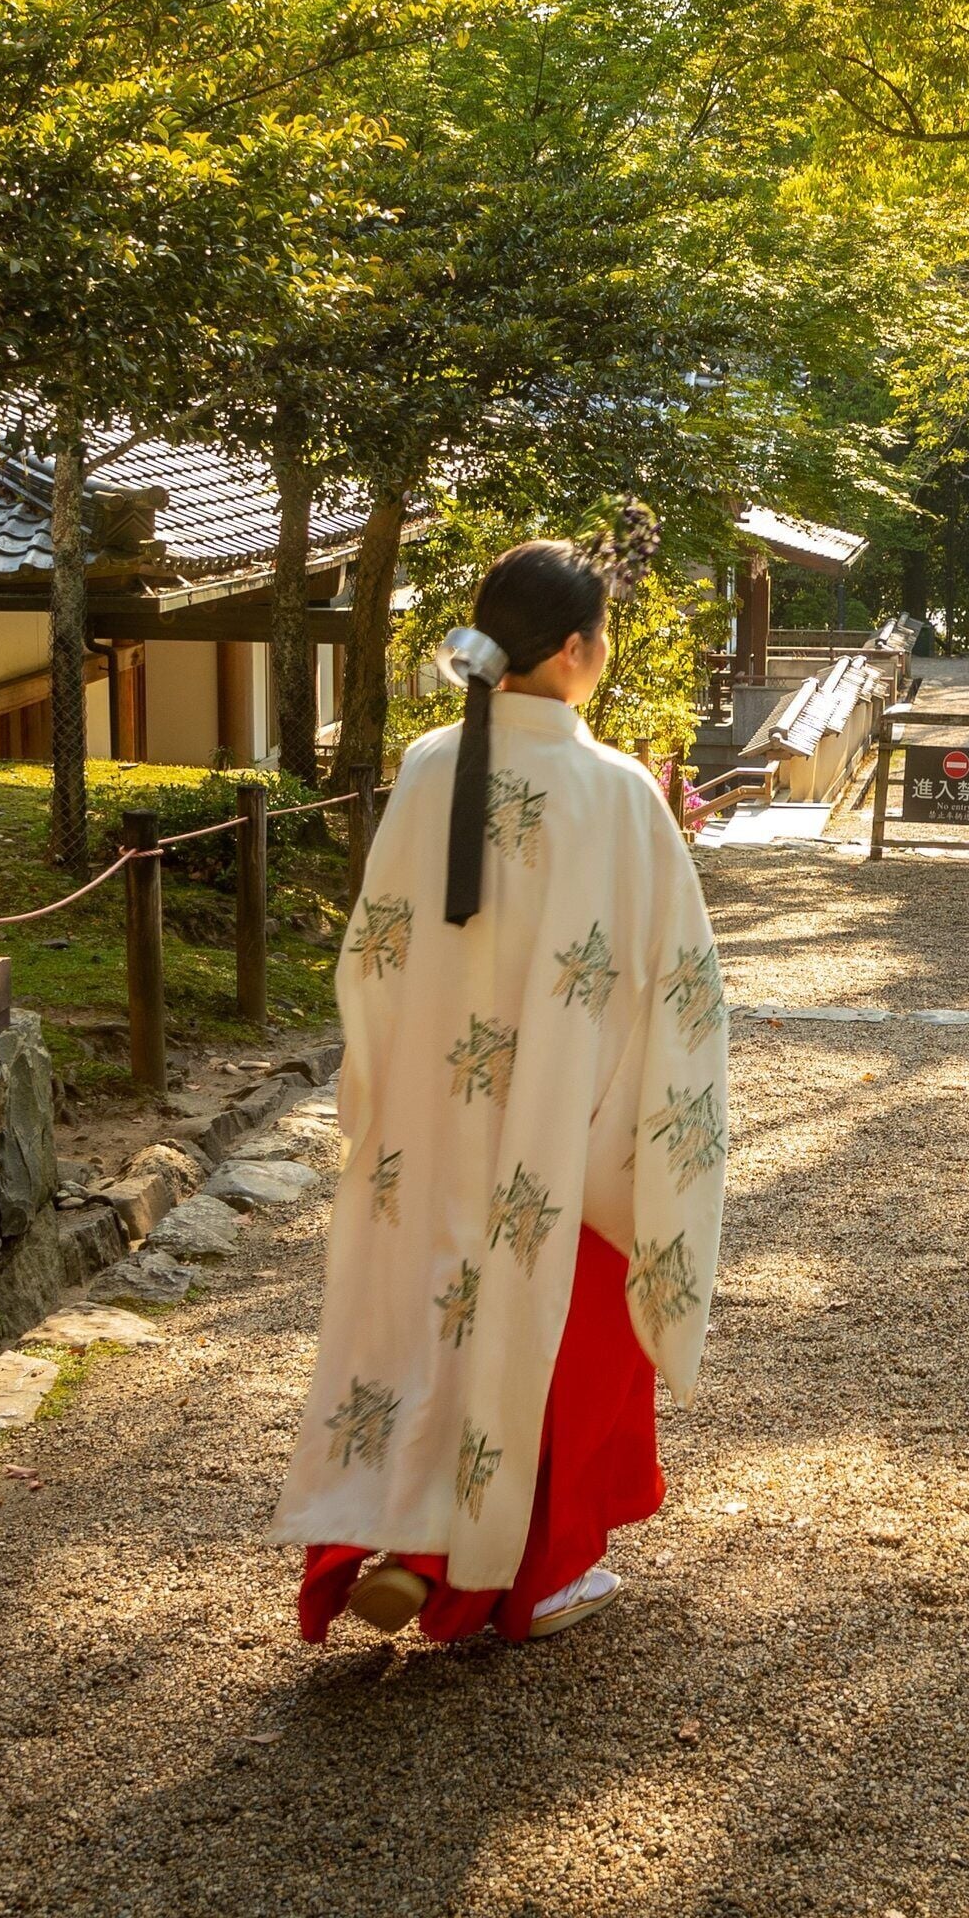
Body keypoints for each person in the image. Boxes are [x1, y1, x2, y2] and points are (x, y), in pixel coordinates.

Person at [276, 521, 730, 1646]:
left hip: (429, 1130)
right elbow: (674, 989)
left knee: (415, 1319)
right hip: (557, 1140)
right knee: (565, 1339)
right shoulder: (617, 793)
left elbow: (375, 954)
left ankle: (399, 1540)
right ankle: (534, 1573)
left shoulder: (431, 766)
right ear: (579, 650)